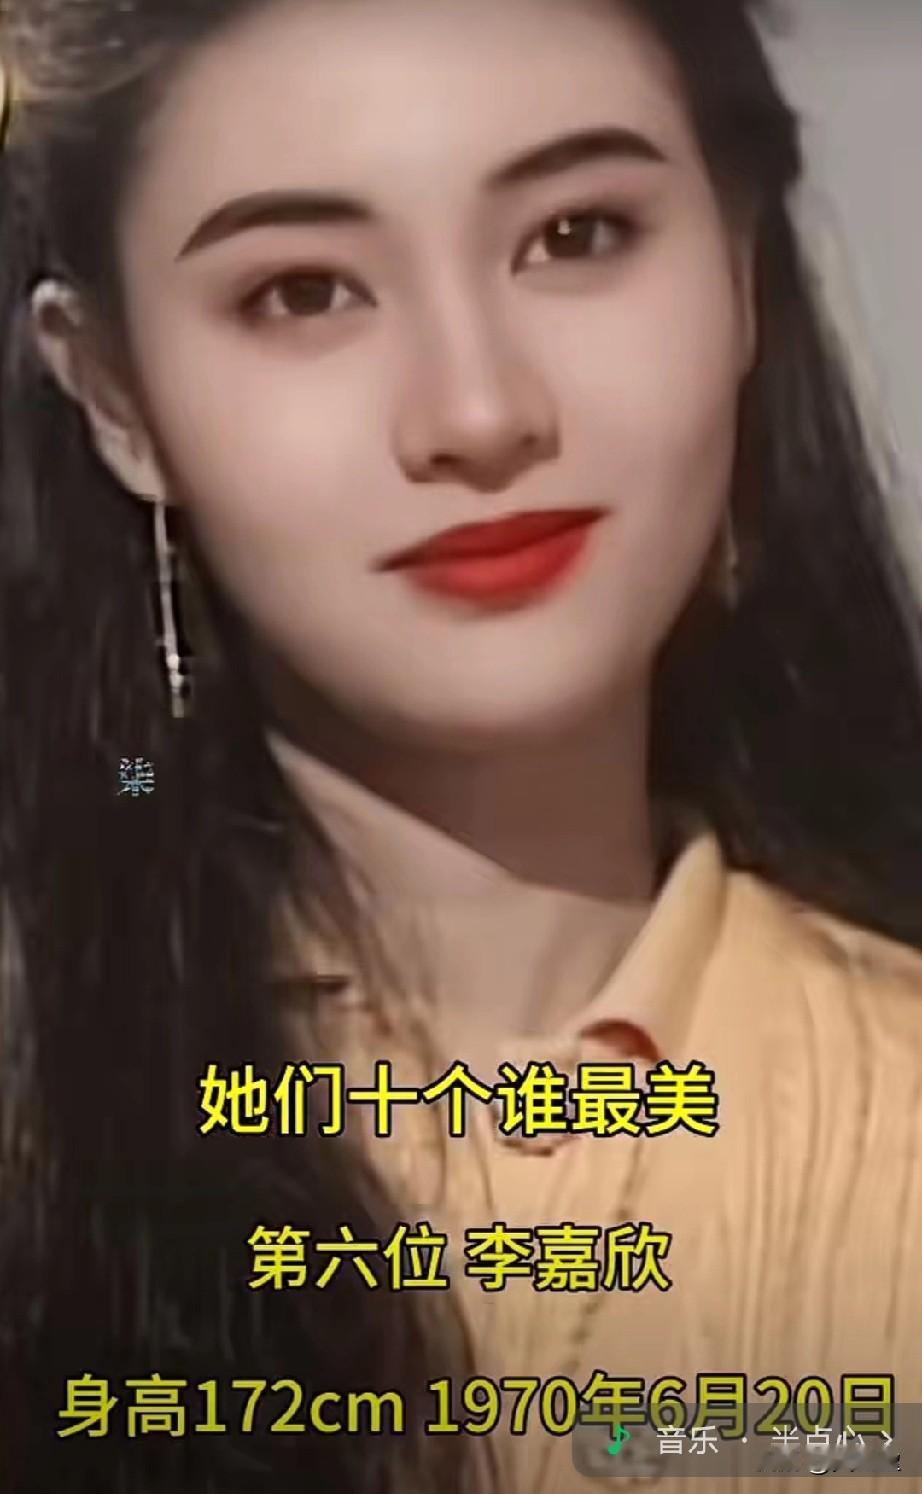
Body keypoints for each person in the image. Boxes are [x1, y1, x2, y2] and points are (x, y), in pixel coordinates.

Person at [2, 0, 922, 1491]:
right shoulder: (48, 1114)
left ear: (742, 270)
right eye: (303, 291)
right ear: (113, 394)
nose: (479, 412)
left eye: (574, 236)